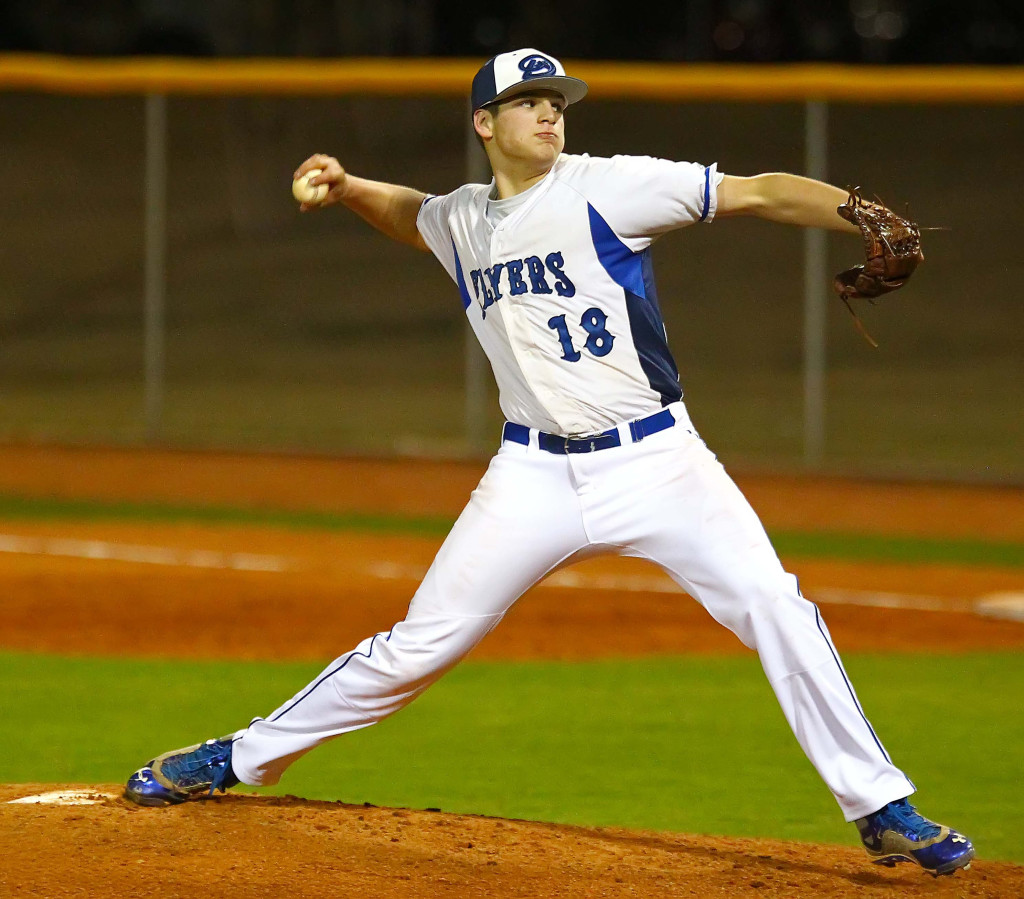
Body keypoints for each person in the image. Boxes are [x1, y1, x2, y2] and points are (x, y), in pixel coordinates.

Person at [125, 48, 975, 878]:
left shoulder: (607, 186)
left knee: (775, 606)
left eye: (558, 102)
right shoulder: (463, 219)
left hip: (659, 463)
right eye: (531, 102)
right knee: (418, 647)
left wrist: (858, 211)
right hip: (531, 476)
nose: (549, 113)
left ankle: (880, 808)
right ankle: (235, 756)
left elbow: (755, 191)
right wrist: (349, 188)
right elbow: (412, 215)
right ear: (484, 123)